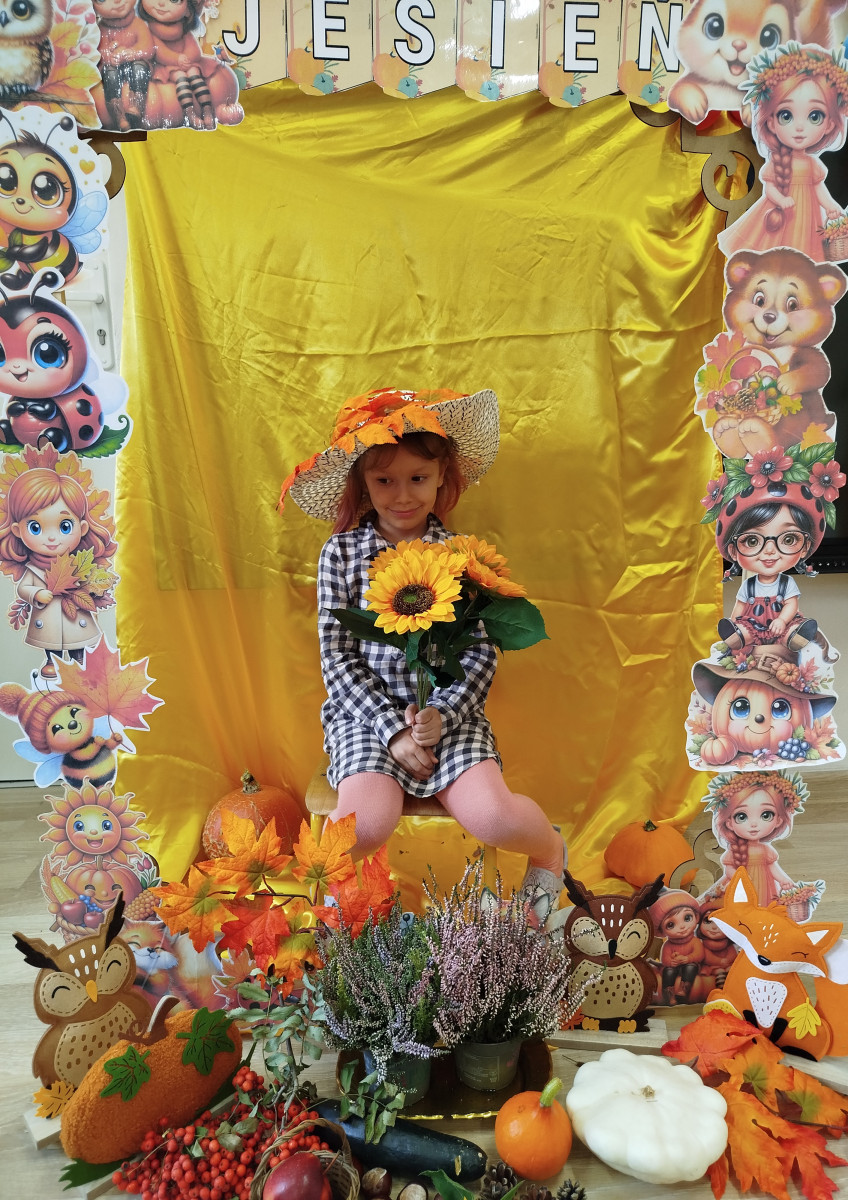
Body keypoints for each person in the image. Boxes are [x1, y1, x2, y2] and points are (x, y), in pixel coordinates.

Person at [279, 387, 566, 919]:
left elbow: (479, 654)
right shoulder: (340, 553)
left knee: (493, 818)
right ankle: (341, 915)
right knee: (363, 826)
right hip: (365, 718)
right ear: (363, 483)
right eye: (384, 480)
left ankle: (549, 850)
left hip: (449, 718)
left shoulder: (459, 557)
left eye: (418, 478)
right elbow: (337, 658)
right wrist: (393, 729)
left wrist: (442, 715)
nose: (402, 495)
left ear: (441, 478)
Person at [718, 43, 848, 262]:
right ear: (770, 121)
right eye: (786, 115)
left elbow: (819, 188)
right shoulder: (777, 161)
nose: (800, 127)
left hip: (806, 216)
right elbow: (769, 188)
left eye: (815, 116)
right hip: (779, 214)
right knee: (772, 249)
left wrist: (831, 206)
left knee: (803, 255)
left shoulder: (812, 164)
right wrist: (780, 199)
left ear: (829, 124)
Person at [0, 445, 117, 678]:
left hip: (75, 615)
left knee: (78, 638)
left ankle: (79, 660)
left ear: (82, 528)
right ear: (17, 530)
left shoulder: (78, 564)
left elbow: (91, 581)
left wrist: (92, 587)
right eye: (35, 527)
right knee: (50, 640)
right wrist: (36, 594)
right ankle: (51, 661)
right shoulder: (33, 568)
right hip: (48, 617)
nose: (52, 538)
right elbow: (24, 588)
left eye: (65, 526)